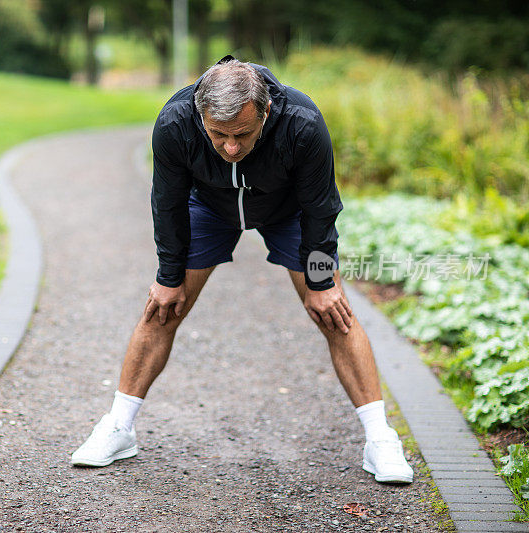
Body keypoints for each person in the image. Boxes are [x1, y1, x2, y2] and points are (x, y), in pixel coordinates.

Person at [70, 56, 413, 484]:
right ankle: (118, 428)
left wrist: (321, 281)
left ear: (265, 112)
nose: (231, 147)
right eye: (218, 135)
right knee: (161, 307)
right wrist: (168, 275)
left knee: (333, 311)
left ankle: (380, 440)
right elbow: (167, 204)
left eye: (243, 135)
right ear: (201, 115)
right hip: (209, 208)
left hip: (287, 212)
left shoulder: (302, 123)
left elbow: (321, 210)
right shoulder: (175, 123)